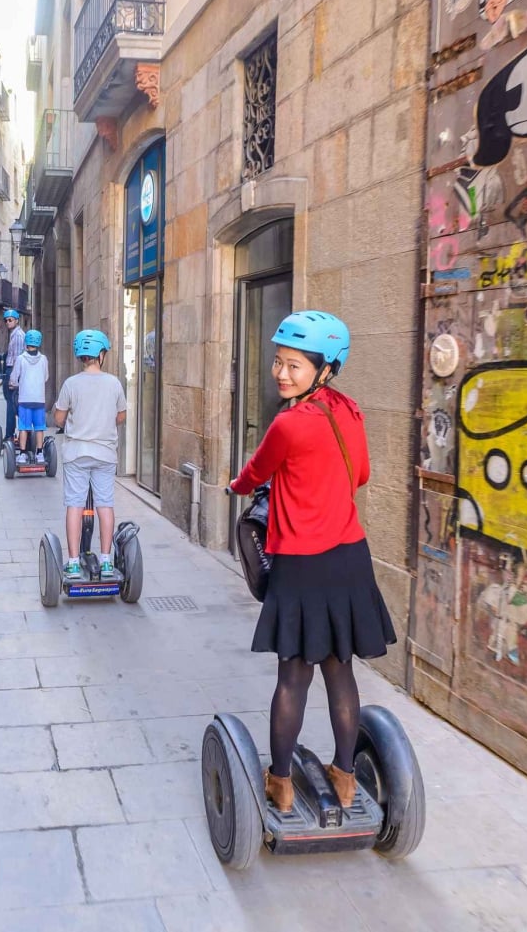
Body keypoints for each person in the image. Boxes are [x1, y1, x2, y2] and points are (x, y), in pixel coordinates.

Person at [228, 310, 397, 815]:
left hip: (301, 565)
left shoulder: (289, 424)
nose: (281, 373)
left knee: (293, 678)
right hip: (349, 560)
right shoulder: (349, 411)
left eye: (295, 366)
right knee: (340, 672)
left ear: (324, 370)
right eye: (278, 361)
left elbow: (255, 472)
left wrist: (235, 487)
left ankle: (280, 783)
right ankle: (345, 779)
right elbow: (361, 474)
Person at [53, 330, 127, 580]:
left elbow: (59, 418)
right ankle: (106, 562)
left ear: (81, 356)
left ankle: (73, 563)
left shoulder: (71, 384)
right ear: (101, 354)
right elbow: (121, 416)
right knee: (104, 504)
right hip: (105, 454)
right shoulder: (114, 383)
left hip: (77, 454)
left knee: (75, 505)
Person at [8, 329, 49, 461]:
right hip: (39, 399)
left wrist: (13, 383)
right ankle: (40, 453)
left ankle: (23, 453)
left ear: (26, 343)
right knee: (39, 428)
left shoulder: (21, 359)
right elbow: (46, 377)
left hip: (25, 399)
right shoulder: (43, 359)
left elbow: (14, 377)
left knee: (24, 427)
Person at [1, 309, 24, 443]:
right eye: (6, 320)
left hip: (13, 371)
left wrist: (13, 379)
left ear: (16, 320)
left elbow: (18, 359)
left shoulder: (19, 336)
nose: (7, 322)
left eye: (10, 320)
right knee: (11, 403)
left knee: (12, 404)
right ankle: (12, 433)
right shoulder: (14, 335)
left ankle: (10, 434)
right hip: (10, 370)